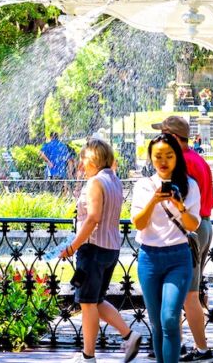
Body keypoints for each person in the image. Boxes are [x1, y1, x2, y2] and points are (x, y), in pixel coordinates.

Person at [60, 138, 144, 363]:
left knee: (87, 303)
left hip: (93, 249)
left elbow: (93, 218)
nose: (81, 166)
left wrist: (72, 246)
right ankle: (129, 334)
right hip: (110, 249)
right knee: (96, 300)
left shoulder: (95, 183)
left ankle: (88, 357)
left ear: (93, 159)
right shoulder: (114, 180)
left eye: (83, 160)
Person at [130, 133, 201, 363]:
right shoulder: (143, 186)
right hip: (149, 258)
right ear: (150, 159)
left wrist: (179, 205)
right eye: (158, 156)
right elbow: (138, 223)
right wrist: (153, 200)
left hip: (178, 258)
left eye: (169, 156)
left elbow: (193, 224)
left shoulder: (189, 186)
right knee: (157, 323)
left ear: (177, 158)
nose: (163, 161)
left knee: (169, 317)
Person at [151, 115, 213, 362]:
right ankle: (175, 346)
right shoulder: (198, 159)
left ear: (174, 138)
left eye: (164, 136)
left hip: (191, 229)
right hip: (202, 225)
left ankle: (202, 350)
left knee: (188, 293)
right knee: (183, 292)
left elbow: (180, 205)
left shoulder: (184, 164)